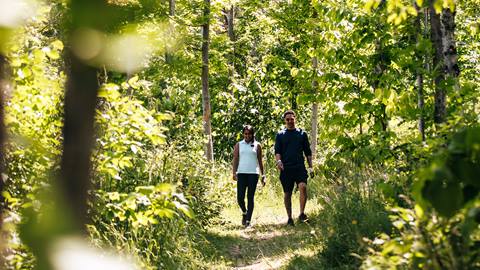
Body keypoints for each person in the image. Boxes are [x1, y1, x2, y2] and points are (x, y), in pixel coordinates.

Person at [274, 110, 314, 226]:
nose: (290, 121)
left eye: (292, 119)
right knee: (287, 193)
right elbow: (277, 151)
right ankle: (289, 217)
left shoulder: (302, 134)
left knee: (303, 187)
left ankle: (302, 214)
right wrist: (279, 162)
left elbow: (308, 152)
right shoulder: (280, 135)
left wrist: (311, 167)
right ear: (285, 121)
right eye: (288, 119)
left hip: (299, 167)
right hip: (286, 168)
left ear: (295, 119)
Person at [232, 125, 266, 227]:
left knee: (250, 197)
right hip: (241, 173)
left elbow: (260, 161)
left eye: (249, 134)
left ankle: (248, 221)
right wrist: (234, 172)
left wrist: (263, 175)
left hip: (253, 174)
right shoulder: (239, 144)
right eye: (245, 134)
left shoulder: (257, 145)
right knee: (240, 197)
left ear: (252, 134)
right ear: (243, 134)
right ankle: (244, 212)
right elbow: (235, 159)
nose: (247, 136)